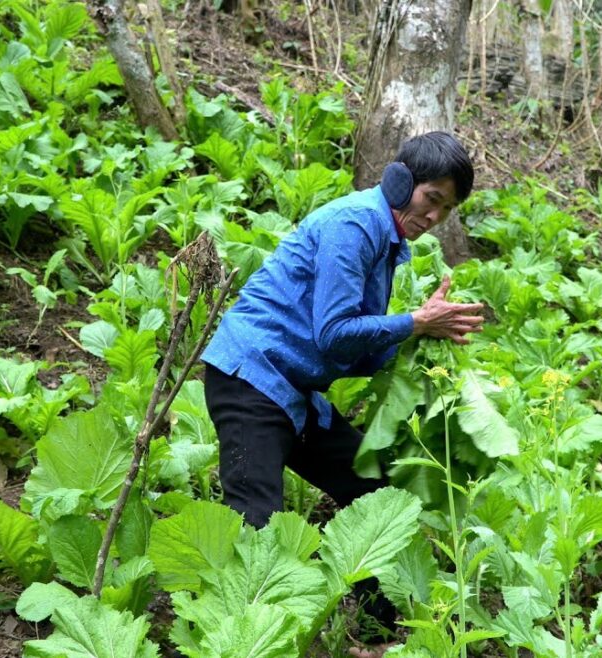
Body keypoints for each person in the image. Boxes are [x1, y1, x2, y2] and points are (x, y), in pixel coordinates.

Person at [201, 131, 484, 656]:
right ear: (401, 181)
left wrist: (417, 332)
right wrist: (411, 323)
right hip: (251, 378)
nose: (434, 218)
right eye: (431, 200)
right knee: (257, 525)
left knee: (371, 486)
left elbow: (356, 350)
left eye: (446, 210)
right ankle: (247, 641)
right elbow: (333, 333)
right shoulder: (354, 225)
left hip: (294, 392)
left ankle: (377, 631)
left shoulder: (385, 244)